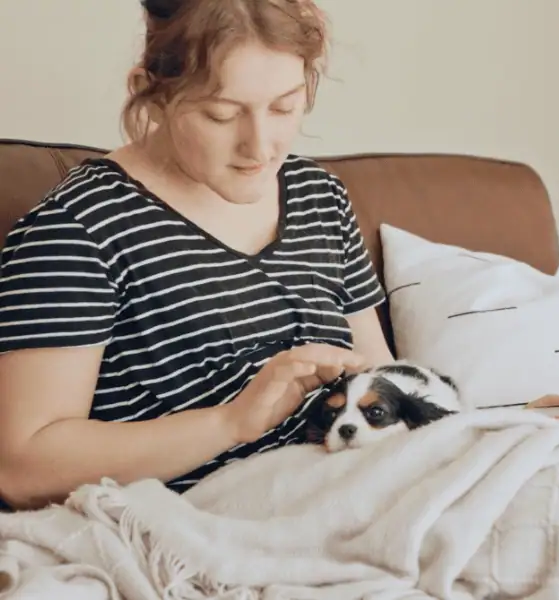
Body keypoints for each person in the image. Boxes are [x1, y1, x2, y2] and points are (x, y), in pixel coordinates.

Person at [0, 0, 395, 510]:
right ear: (152, 92)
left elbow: (384, 374)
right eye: (221, 114)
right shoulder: (80, 228)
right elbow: (21, 466)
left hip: (359, 491)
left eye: (284, 106)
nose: (260, 148)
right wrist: (229, 422)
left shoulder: (320, 195)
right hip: (219, 519)